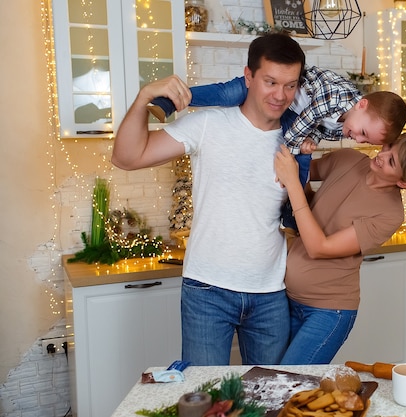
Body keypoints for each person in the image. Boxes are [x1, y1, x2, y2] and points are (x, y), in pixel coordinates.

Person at [111, 33, 306, 366]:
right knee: (204, 402)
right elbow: (127, 157)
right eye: (271, 82)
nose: (280, 95)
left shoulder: (296, 139)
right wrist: (145, 96)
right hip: (207, 291)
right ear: (248, 77)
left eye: (290, 85)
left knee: (269, 402)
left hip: (271, 292)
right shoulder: (208, 124)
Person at [148, 67, 406, 231]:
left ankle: (291, 212)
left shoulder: (348, 123)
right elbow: (301, 127)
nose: (358, 139)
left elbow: (313, 128)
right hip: (281, 94)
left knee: (303, 159)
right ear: (361, 105)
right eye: (362, 132)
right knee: (229, 93)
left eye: (366, 141)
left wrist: (310, 144)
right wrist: (288, 156)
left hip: (289, 110)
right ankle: (172, 100)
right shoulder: (336, 97)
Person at [273, 132, 406, 364]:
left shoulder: (389, 214)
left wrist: (294, 181)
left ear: (404, 182)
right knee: (271, 382)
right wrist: (303, 155)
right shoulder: (348, 159)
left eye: (391, 161)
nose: (382, 155)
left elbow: (319, 247)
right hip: (284, 297)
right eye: (390, 147)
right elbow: (299, 173)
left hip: (328, 312)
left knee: (287, 383)